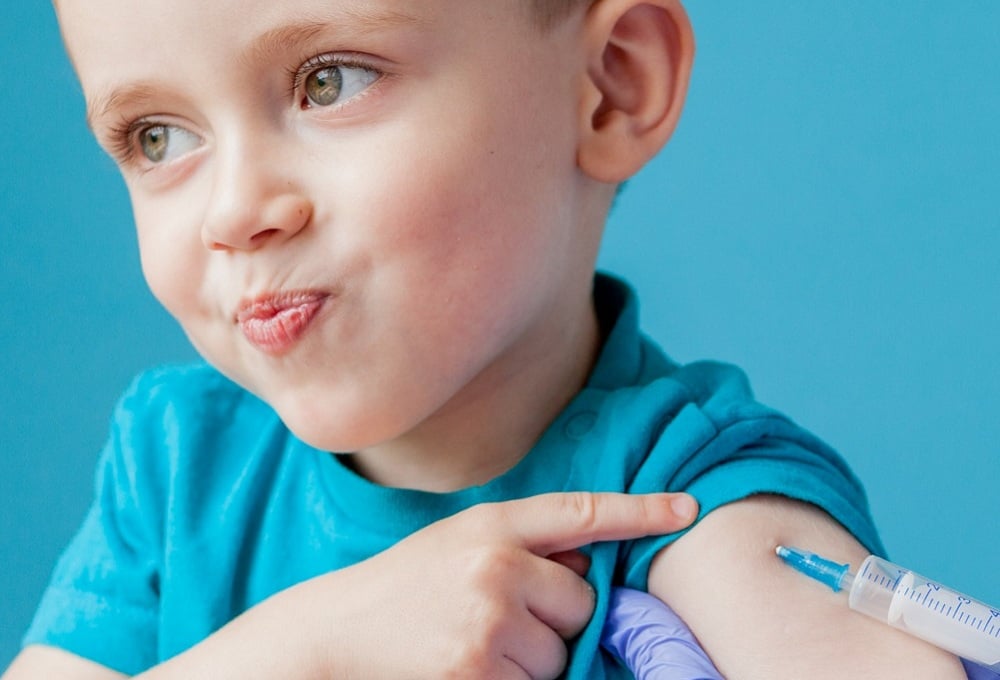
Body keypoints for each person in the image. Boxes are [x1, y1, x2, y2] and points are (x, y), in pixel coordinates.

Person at [3, 0, 974, 677]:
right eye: (157, 137)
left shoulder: (685, 495)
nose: (234, 211)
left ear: (610, 86)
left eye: (327, 81)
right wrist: (307, 652)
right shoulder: (178, 467)